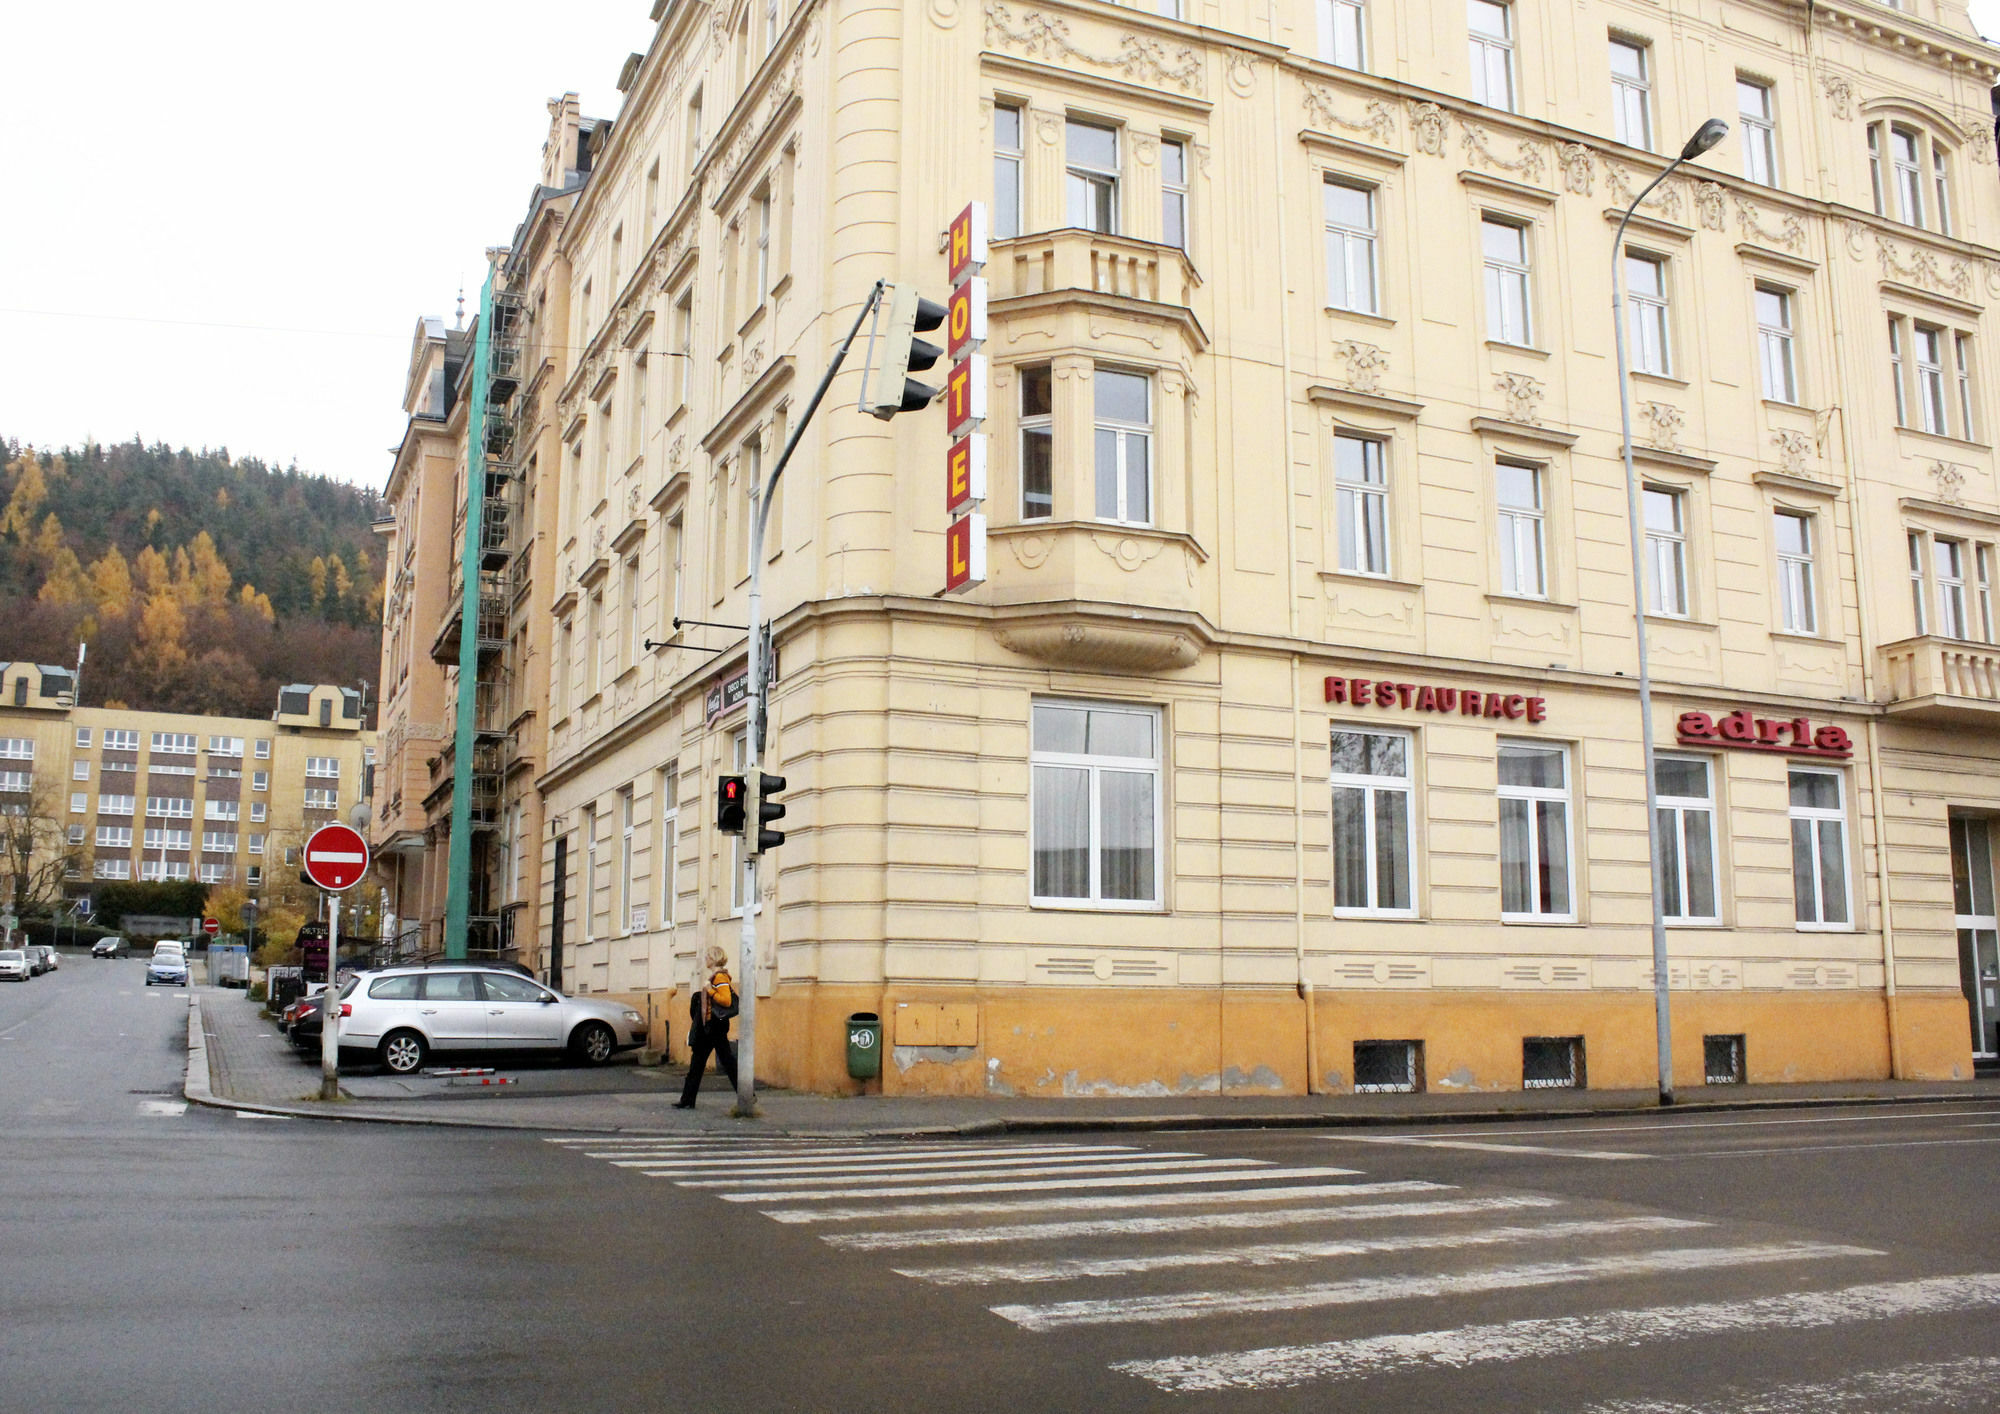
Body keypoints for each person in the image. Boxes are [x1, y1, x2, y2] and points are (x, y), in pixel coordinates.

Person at [676, 945, 739, 1109]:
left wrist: (710, 990)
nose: (705, 959)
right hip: (710, 1026)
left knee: (724, 1061)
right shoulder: (716, 976)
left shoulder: (719, 978)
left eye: (708, 957)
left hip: (714, 1026)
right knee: (701, 1062)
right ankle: (687, 1100)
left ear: (714, 958)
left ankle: (746, 1094)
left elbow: (726, 1000)